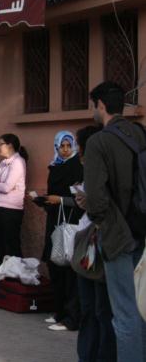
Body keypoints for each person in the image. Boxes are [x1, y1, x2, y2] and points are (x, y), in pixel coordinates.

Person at [83, 81, 146, 362]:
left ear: (101, 105)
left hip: (118, 234)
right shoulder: (141, 134)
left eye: (93, 105)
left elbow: (96, 198)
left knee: (124, 312)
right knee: (139, 307)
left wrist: (102, 222)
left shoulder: (99, 141)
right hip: (142, 230)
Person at [73, 125, 116, 362]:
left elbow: (103, 205)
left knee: (101, 311)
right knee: (90, 309)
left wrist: (89, 202)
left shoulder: (109, 169)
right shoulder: (91, 169)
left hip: (103, 243)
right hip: (88, 244)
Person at [38, 131, 83, 332]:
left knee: (68, 267)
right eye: (61, 146)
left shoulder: (77, 168)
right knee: (55, 264)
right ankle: (59, 312)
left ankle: (71, 317)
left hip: (71, 223)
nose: (65, 149)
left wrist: (60, 200)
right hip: (55, 219)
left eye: (68, 145)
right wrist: (45, 201)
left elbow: (81, 198)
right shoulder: (55, 166)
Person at [0, 133, 28, 259]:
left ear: (10, 145)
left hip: (12, 210)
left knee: (11, 245)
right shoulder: (2, 164)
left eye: (1, 144)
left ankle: (15, 275)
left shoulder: (18, 162)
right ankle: (2, 274)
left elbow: (7, 187)